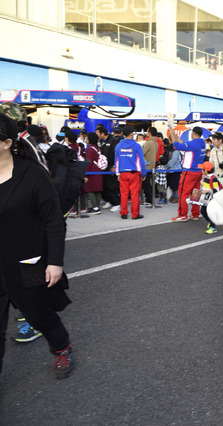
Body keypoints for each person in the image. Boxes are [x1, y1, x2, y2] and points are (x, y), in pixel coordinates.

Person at [0, 113, 73, 378]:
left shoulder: (31, 175)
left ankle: (62, 347)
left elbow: (53, 220)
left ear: (7, 142)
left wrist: (54, 262)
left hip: (27, 261)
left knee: (39, 315)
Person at [167, 118, 207, 222]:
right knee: (195, 193)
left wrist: (172, 133)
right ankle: (195, 214)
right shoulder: (202, 143)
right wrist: (177, 138)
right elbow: (186, 146)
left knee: (183, 193)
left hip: (189, 172)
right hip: (198, 172)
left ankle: (182, 215)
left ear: (193, 133)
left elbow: (176, 146)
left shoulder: (193, 144)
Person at [115, 125, 147, 220]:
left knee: (124, 194)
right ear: (131, 134)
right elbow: (141, 161)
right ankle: (135, 214)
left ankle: (124, 213)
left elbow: (116, 160)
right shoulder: (137, 146)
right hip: (134, 173)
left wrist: (117, 173)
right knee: (135, 195)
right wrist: (143, 173)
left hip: (123, 173)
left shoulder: (118, 146)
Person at [96, 125, 121, 212]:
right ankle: (109, 200)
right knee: (105, 185)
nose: (97, 135)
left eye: (98, 133)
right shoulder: (103, 142)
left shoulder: (113, 141)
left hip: (111, 169)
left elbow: (117, 154)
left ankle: (116, 203)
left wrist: (115, 166)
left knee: (112, 186)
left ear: (103, 133)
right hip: (105, 169)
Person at [197, 161, 222, 234]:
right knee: (203, 211)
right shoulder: (205, 177)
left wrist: (207, 191)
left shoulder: (213, 178)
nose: (201, 170)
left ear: (206, 170)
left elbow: (216, 190)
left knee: (210, 213)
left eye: (202, 169)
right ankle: (210, 222)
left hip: (212, 199)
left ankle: (213, 228)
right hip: (206, 199)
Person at [84, 132, 104, 214]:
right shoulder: (97, 148)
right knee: (97, 189)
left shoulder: (90, 149)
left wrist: (86, 174)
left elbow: (88, 162)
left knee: (90, 189)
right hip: (98, 170)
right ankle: (97, 206)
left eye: (87, 138)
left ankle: (95, 208)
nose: (86, 139)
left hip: (91, 171)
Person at [142, 129, 158, 206]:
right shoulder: (155, 143)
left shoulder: (149, 143)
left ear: (150, 133)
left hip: (146, 166)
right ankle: (150, 199)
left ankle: (149, 200)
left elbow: (141, 152)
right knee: (148, 184)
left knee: (146, 184)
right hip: (152, 166)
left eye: (147, 131)